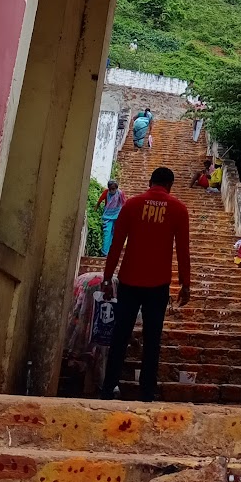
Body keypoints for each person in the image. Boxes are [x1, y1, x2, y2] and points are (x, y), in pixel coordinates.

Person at [99, 166, 191, 401]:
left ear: (150, 182)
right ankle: (147, 392)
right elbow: (183, 251)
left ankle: (108, 387)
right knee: (153, 338)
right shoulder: (178, 209)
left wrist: (107, 277)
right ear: (170, 185)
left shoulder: (132, 205)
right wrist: (185, 284)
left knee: (120, 336)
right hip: (158, 285)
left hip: (129, 281)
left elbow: (116, 245)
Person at [97, 179, 125, 256]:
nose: (112, 190)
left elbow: (123, 203)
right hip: (107, 216)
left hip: (117, 216)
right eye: (111, 189)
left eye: (114, 189)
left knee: (114, 233)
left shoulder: (120, 193)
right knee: (107, 233)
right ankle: (104, 252)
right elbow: (99, 201)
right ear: (108, 188)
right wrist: (95, 209)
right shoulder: (106, 192)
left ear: (116, 188)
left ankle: (110, 251)